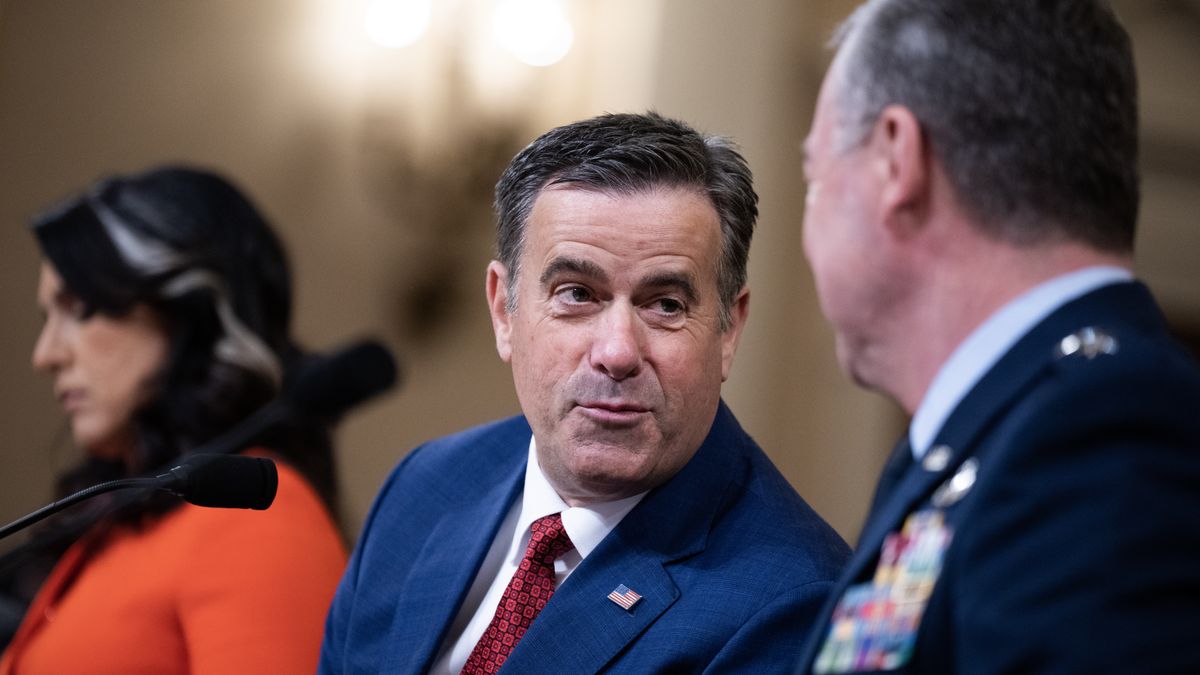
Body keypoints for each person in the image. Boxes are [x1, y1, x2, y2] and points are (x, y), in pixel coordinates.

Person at [320, 111, 850, 674]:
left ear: (727, 330)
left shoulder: (797, 605)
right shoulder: (426, 486)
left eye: (665, 304)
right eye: (577, 293)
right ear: (505, 310)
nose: (617, 351)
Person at [794, 0, 1200, 672]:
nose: (810, 222)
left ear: (898, 159)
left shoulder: (1102, 426)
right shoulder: (983, 437)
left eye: (814, 178)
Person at [0, 166, 348, 673]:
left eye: (78, 310)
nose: (45, 355)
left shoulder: (252, 515)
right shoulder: (127, 518)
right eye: (45, 319)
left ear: (187, 311)